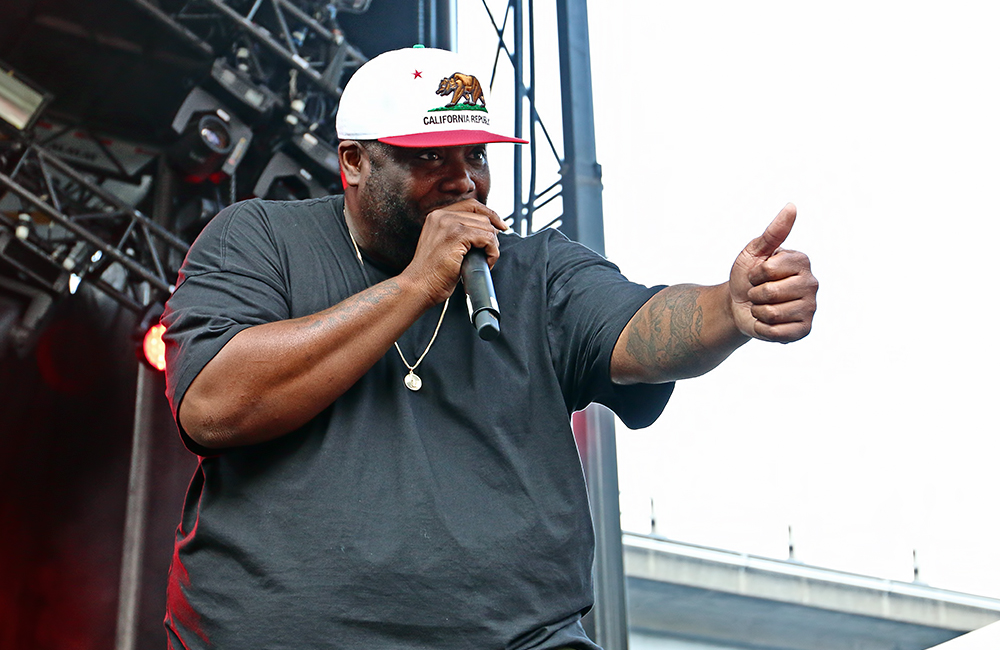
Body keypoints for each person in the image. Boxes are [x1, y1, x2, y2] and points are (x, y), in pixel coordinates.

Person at [161, 46, 817, 650]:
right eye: (430, 158)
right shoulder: (261, 239)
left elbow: (644, 330)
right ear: (355, 161)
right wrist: (418, 284)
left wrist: (729, 310)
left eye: (475, 155)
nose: (464, 182)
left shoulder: (536, 270)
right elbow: (215, 405)